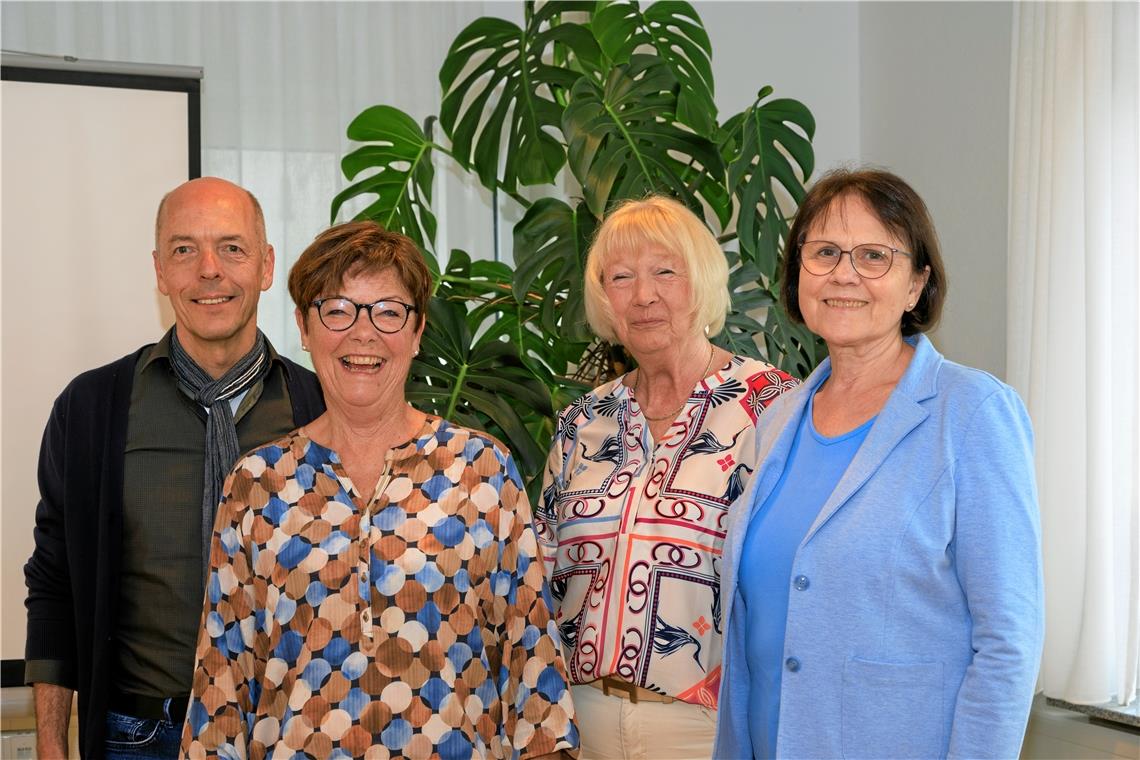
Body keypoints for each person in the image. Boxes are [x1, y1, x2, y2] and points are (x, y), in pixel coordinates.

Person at [180, 221, 578, 760]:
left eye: (388, 311)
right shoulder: (256, 482)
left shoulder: (482, 469)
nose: (363, 333)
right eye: (338, 309)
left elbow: (535, 678)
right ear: (303, 326)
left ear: (417, 332)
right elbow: (220, 690)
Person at [713, 168, 1044, 759]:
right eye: (824, 253)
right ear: (798, 276)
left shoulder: (971, 413)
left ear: (916, 284)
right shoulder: (776, 422)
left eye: (874, 255)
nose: (844, 273)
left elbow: (1008, 641)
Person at [23, 177, 325, 759]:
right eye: (185, 250)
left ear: (265, 267)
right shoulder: (90, 410)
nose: (208, 270)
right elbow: (55, 584)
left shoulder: (321, 409)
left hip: (294, 732)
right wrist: (51, 745)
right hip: (137, 738)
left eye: (232, 248)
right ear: (160, 272)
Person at [536, 195, 798, 759]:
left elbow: (796, 577)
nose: (644, 294)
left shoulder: (771, 406)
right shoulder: (583, 420)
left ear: (700, 282)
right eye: (622, 277)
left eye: (665, 271)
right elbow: (543, 575)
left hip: (708, 724)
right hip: (584, 721)